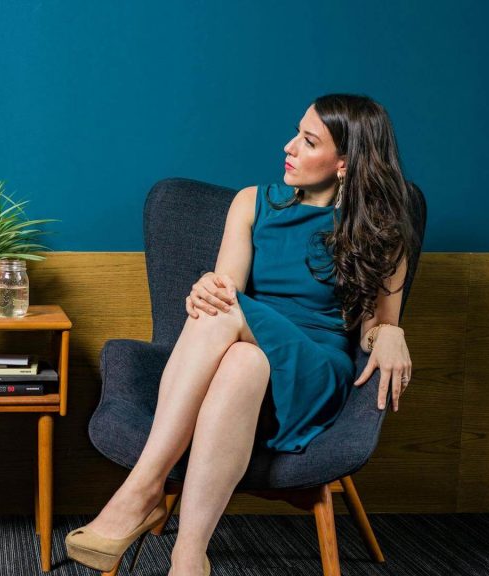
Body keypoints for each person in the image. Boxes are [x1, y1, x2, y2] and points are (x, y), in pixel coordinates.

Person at [65, 94, 416, 576]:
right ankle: (190, 556)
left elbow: (376, 327)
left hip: (315, 368)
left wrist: (391, 333)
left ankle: (142, 489)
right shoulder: (251, 202)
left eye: (308, 141)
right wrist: (204, 290)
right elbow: (223, 290)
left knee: (227, 311)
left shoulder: (384, 230)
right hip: (250, 360)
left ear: (344, 163)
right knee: (239, 353)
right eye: (296, 132)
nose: (288, 146)